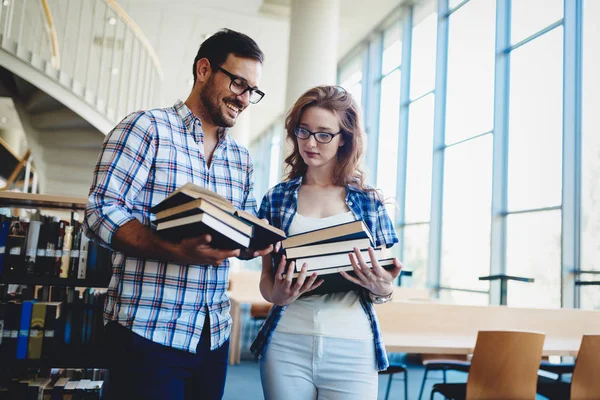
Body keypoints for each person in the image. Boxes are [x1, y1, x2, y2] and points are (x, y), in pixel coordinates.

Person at [84, 29, 272, 400]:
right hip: (147, 333)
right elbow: (100, 212)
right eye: (238, 83)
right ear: (204, 70)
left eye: (253, 91)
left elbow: (244, 227)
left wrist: (257, 242)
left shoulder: (241, 158)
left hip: (212, 334)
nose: (245, 99)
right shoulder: (146, 128)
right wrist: (174, 250)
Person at [251, 85, 403, 399]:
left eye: (323, 134)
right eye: (303, 131)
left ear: (344, 138)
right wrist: (276, 294)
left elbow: (384, 285)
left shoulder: (368, 202)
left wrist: (383, 287)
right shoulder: (276, 199)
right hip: (286, 343)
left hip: (353, 346)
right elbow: (266, 282)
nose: (310, 142)